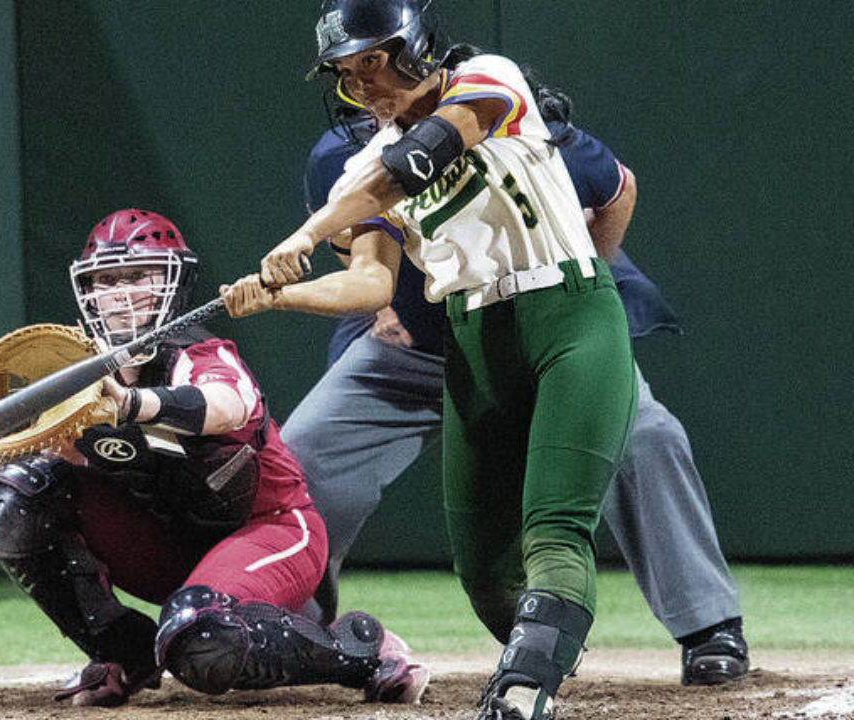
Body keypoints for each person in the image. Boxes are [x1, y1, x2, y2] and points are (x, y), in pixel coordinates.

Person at [222, 1, 638, 717]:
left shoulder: (488, 78)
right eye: (350, 76)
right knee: (481, 565)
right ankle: (543, 649)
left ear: (414, 47)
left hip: (566, 312)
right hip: (473, 337)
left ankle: (524, 687)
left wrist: (310, 229)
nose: (367, 85)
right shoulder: (357, 164)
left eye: (375, 62)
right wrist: (276, 297)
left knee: (554, 525)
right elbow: (371, 282)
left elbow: (418, 160)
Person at [283, 69, 749, 687]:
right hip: (418, 349)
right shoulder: (344, 158)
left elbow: (619, 188)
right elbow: (365, 265)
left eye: (385, 77)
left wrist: (589, 295)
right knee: (303, 455)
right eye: (355, 85)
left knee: (647, 437)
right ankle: (289, 629)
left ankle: (708, 625)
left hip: (546, 336)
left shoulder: (514, 120)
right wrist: (376, 306)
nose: (373, 101)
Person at [0, 208, 429, 708]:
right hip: (166, 540)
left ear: (173, 282)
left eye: (138, 276)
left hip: (269, 530)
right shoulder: (77, 378)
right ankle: (122, 653)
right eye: (107, 280)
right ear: (87, 290)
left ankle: (361, 648)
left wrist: (131, 405)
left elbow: (225, 406)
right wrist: (35, 439)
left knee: (203, 642)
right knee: (16, 501)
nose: (121, 295)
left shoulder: (201, 352)